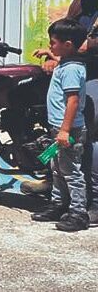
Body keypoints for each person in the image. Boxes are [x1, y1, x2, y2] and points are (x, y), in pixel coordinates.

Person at [32, 19, 90, 232]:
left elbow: (73, 100)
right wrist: (51, 55)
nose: (50, 45)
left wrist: (65, 130)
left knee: (71, 171)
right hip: (58, 128)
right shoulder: (67, 62)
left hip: (69, 130)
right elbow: (62, 58)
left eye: (53, 43)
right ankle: (57, 204)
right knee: (56, 169)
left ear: (67, 45)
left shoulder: (72, 70)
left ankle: (78, 213)